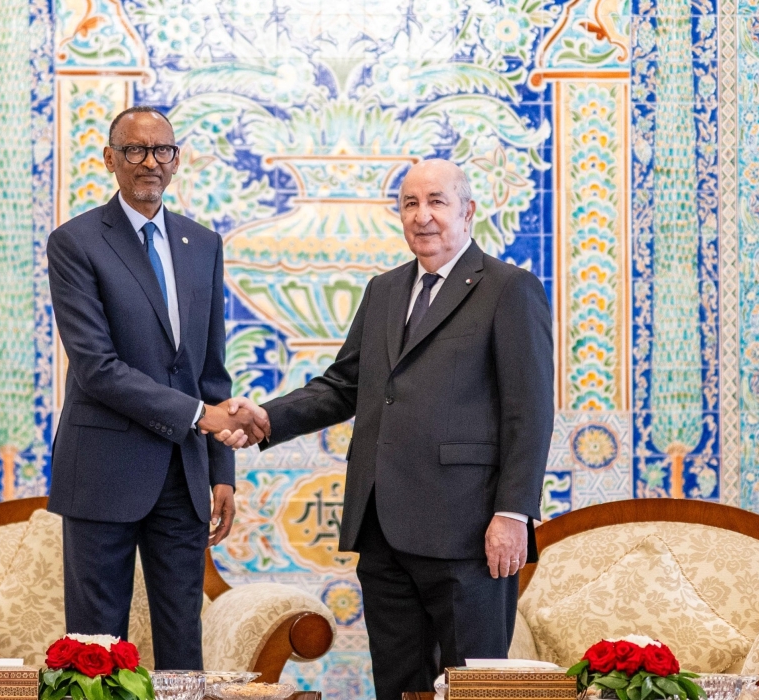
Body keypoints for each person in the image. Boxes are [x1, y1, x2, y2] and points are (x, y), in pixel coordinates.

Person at [224, 159, 554, 699]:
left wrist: (512, 514)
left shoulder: (508, 289)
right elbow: (343, 386)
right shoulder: (384, 289)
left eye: (437, 202)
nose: (422, 216)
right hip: (382, 531)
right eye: (410, 204)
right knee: (398, 687)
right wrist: (266, 418)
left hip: (468, 532)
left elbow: (530, 411)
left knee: (475, 689)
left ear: (468, 212)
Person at [46, 105, 265, 669]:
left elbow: (212, 370)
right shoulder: (75, 243)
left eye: (162, 151)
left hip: (184, 475)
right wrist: (202, 416)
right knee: (96, 650)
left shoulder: (203, 244)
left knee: (181, 645)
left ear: (176, 160)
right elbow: (97, 367)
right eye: (136, 150)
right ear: (110, 159)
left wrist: (222, 472)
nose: (150, 163)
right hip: (103, 470)